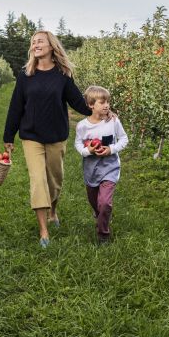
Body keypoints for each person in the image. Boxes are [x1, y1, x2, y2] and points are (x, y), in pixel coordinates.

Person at [3, 30, 92, 248]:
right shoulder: (26, 75)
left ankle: (53, 210)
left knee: (55, 179)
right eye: (33, 42)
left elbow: (78, 103)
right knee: (38, 180)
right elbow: (16, 107)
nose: (35, 44)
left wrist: (102, 111)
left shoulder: (63, 75)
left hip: (55, 135)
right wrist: (8, 136)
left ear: (52, 46)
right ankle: (43, 231)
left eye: (40, 41)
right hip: (31, 135)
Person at [74, 85, 128, 244]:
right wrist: (87, 150)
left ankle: (103, 234)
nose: (107, 105)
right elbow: (78, 144)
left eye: (108, 102)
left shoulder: (113, 121)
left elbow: (124, 139)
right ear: (91, 105)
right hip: (91, 170)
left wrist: (111, 149)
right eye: (102, 102)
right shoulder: (82, 126)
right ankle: (100, 215)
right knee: (95, 202)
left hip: (110, 168)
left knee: (104, 202)